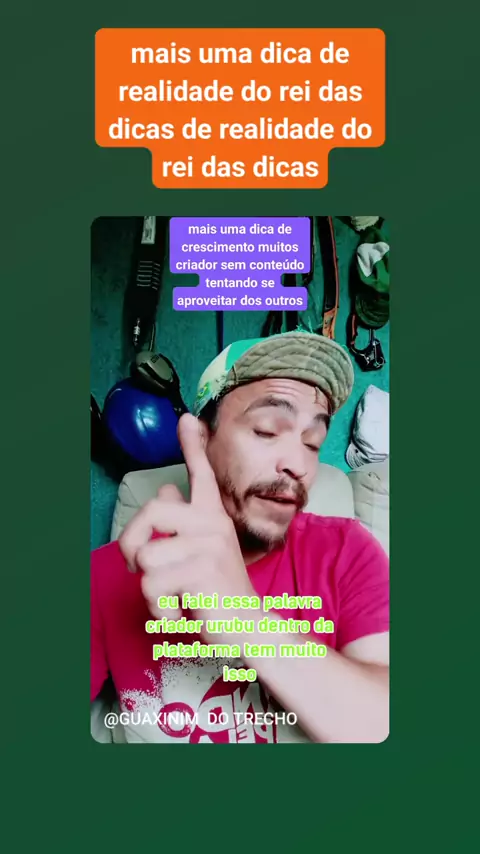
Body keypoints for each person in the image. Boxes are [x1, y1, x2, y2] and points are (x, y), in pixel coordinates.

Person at [91, 331, 389, 744]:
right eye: (267, 430)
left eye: (313, 442)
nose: (299, 465)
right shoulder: (109, 573)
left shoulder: (347, 552)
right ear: (201, 439)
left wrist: (246, 620)